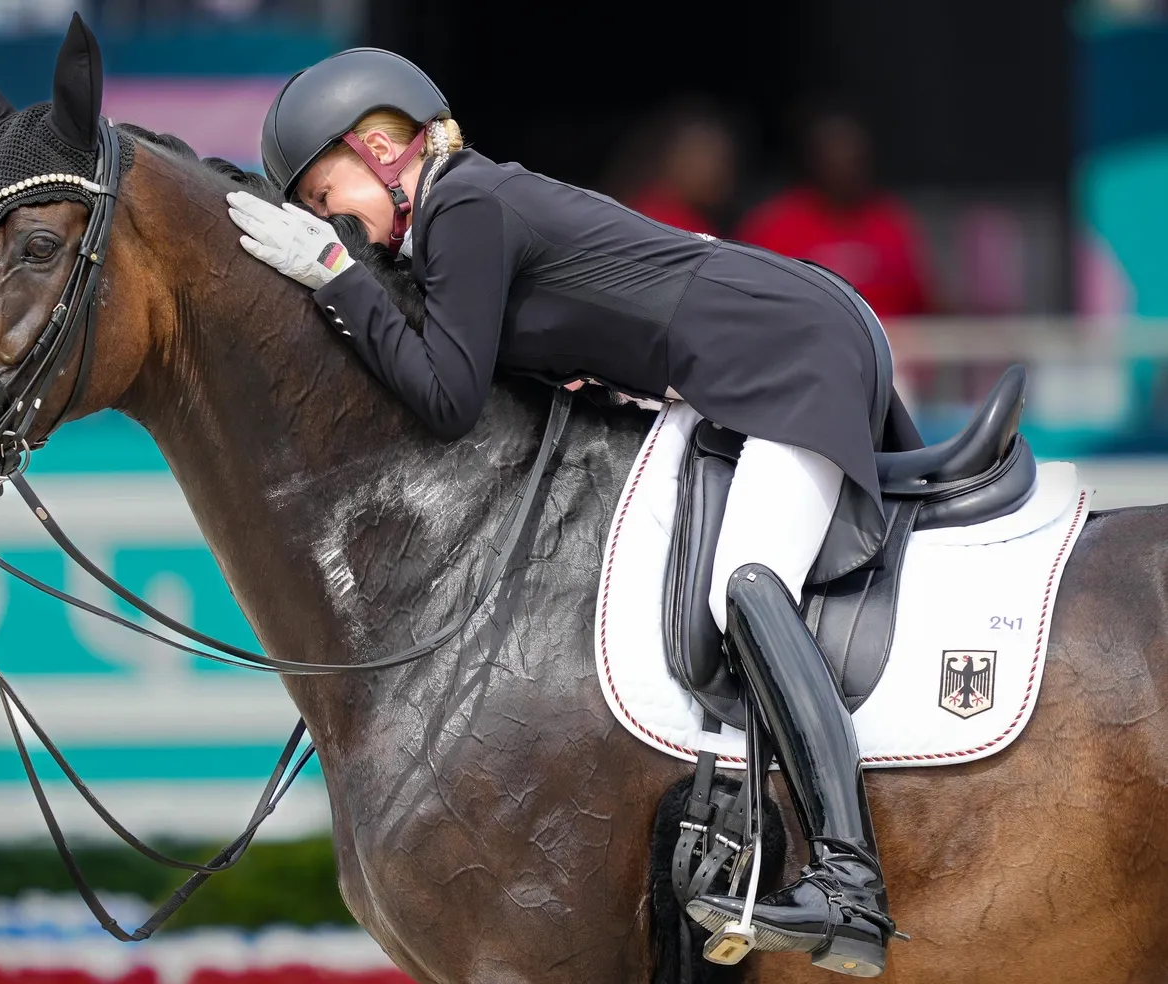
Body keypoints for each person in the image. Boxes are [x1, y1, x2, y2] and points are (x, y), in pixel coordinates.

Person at [225, 48, 919, 977]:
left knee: (747, 586)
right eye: (313, 212)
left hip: (786, 353)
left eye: (324, 191)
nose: (328, 221)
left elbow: (445, 397)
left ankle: (849, 883)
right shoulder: (455, 217)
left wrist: (336, 277)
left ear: (387, 147)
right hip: (758, 360)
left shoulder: (462, 202)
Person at [735, 101, 933, 320]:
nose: (844, 164)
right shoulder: (773, 224)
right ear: (812, 158)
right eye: (834, 153)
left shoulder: (892, 220)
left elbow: (924, 303)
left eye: (852, 155)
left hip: (890, 346)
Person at [624, 101, 738, 237]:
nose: (717, 172)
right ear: (673, 158)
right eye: (703, 155)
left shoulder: (697, 220)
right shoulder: (655, 219)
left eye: (723, 160)